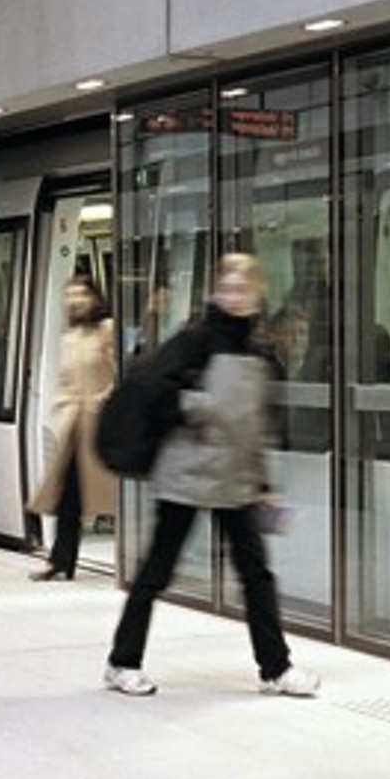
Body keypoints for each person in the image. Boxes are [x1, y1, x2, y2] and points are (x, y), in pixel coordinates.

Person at [103, 254, 319, 698]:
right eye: (229, 286)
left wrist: (264, 485)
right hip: (187, 477)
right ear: (217, 291)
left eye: (245, 287)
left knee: (256, 575)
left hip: (236, 482)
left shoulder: (261, 352)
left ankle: (276, 669)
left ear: (257, 293)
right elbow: (151, 388)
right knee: (157, 571)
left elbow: (257, 426)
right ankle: (122, 662)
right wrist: (200, 408)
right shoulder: (196, 339)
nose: (236, 295)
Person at [29, 275, 118, 581]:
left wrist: (102, 398)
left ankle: (131, 557)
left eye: (82, 293)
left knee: (114, 492)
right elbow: (66, 381)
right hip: (75, 428)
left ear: (95, 297)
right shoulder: (70, 337)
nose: (76, 300)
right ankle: (61, 559)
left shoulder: (107, 330)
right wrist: (63, 406)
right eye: (70, 294)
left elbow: (120, 374)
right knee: (69, 495)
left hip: (103, 425)